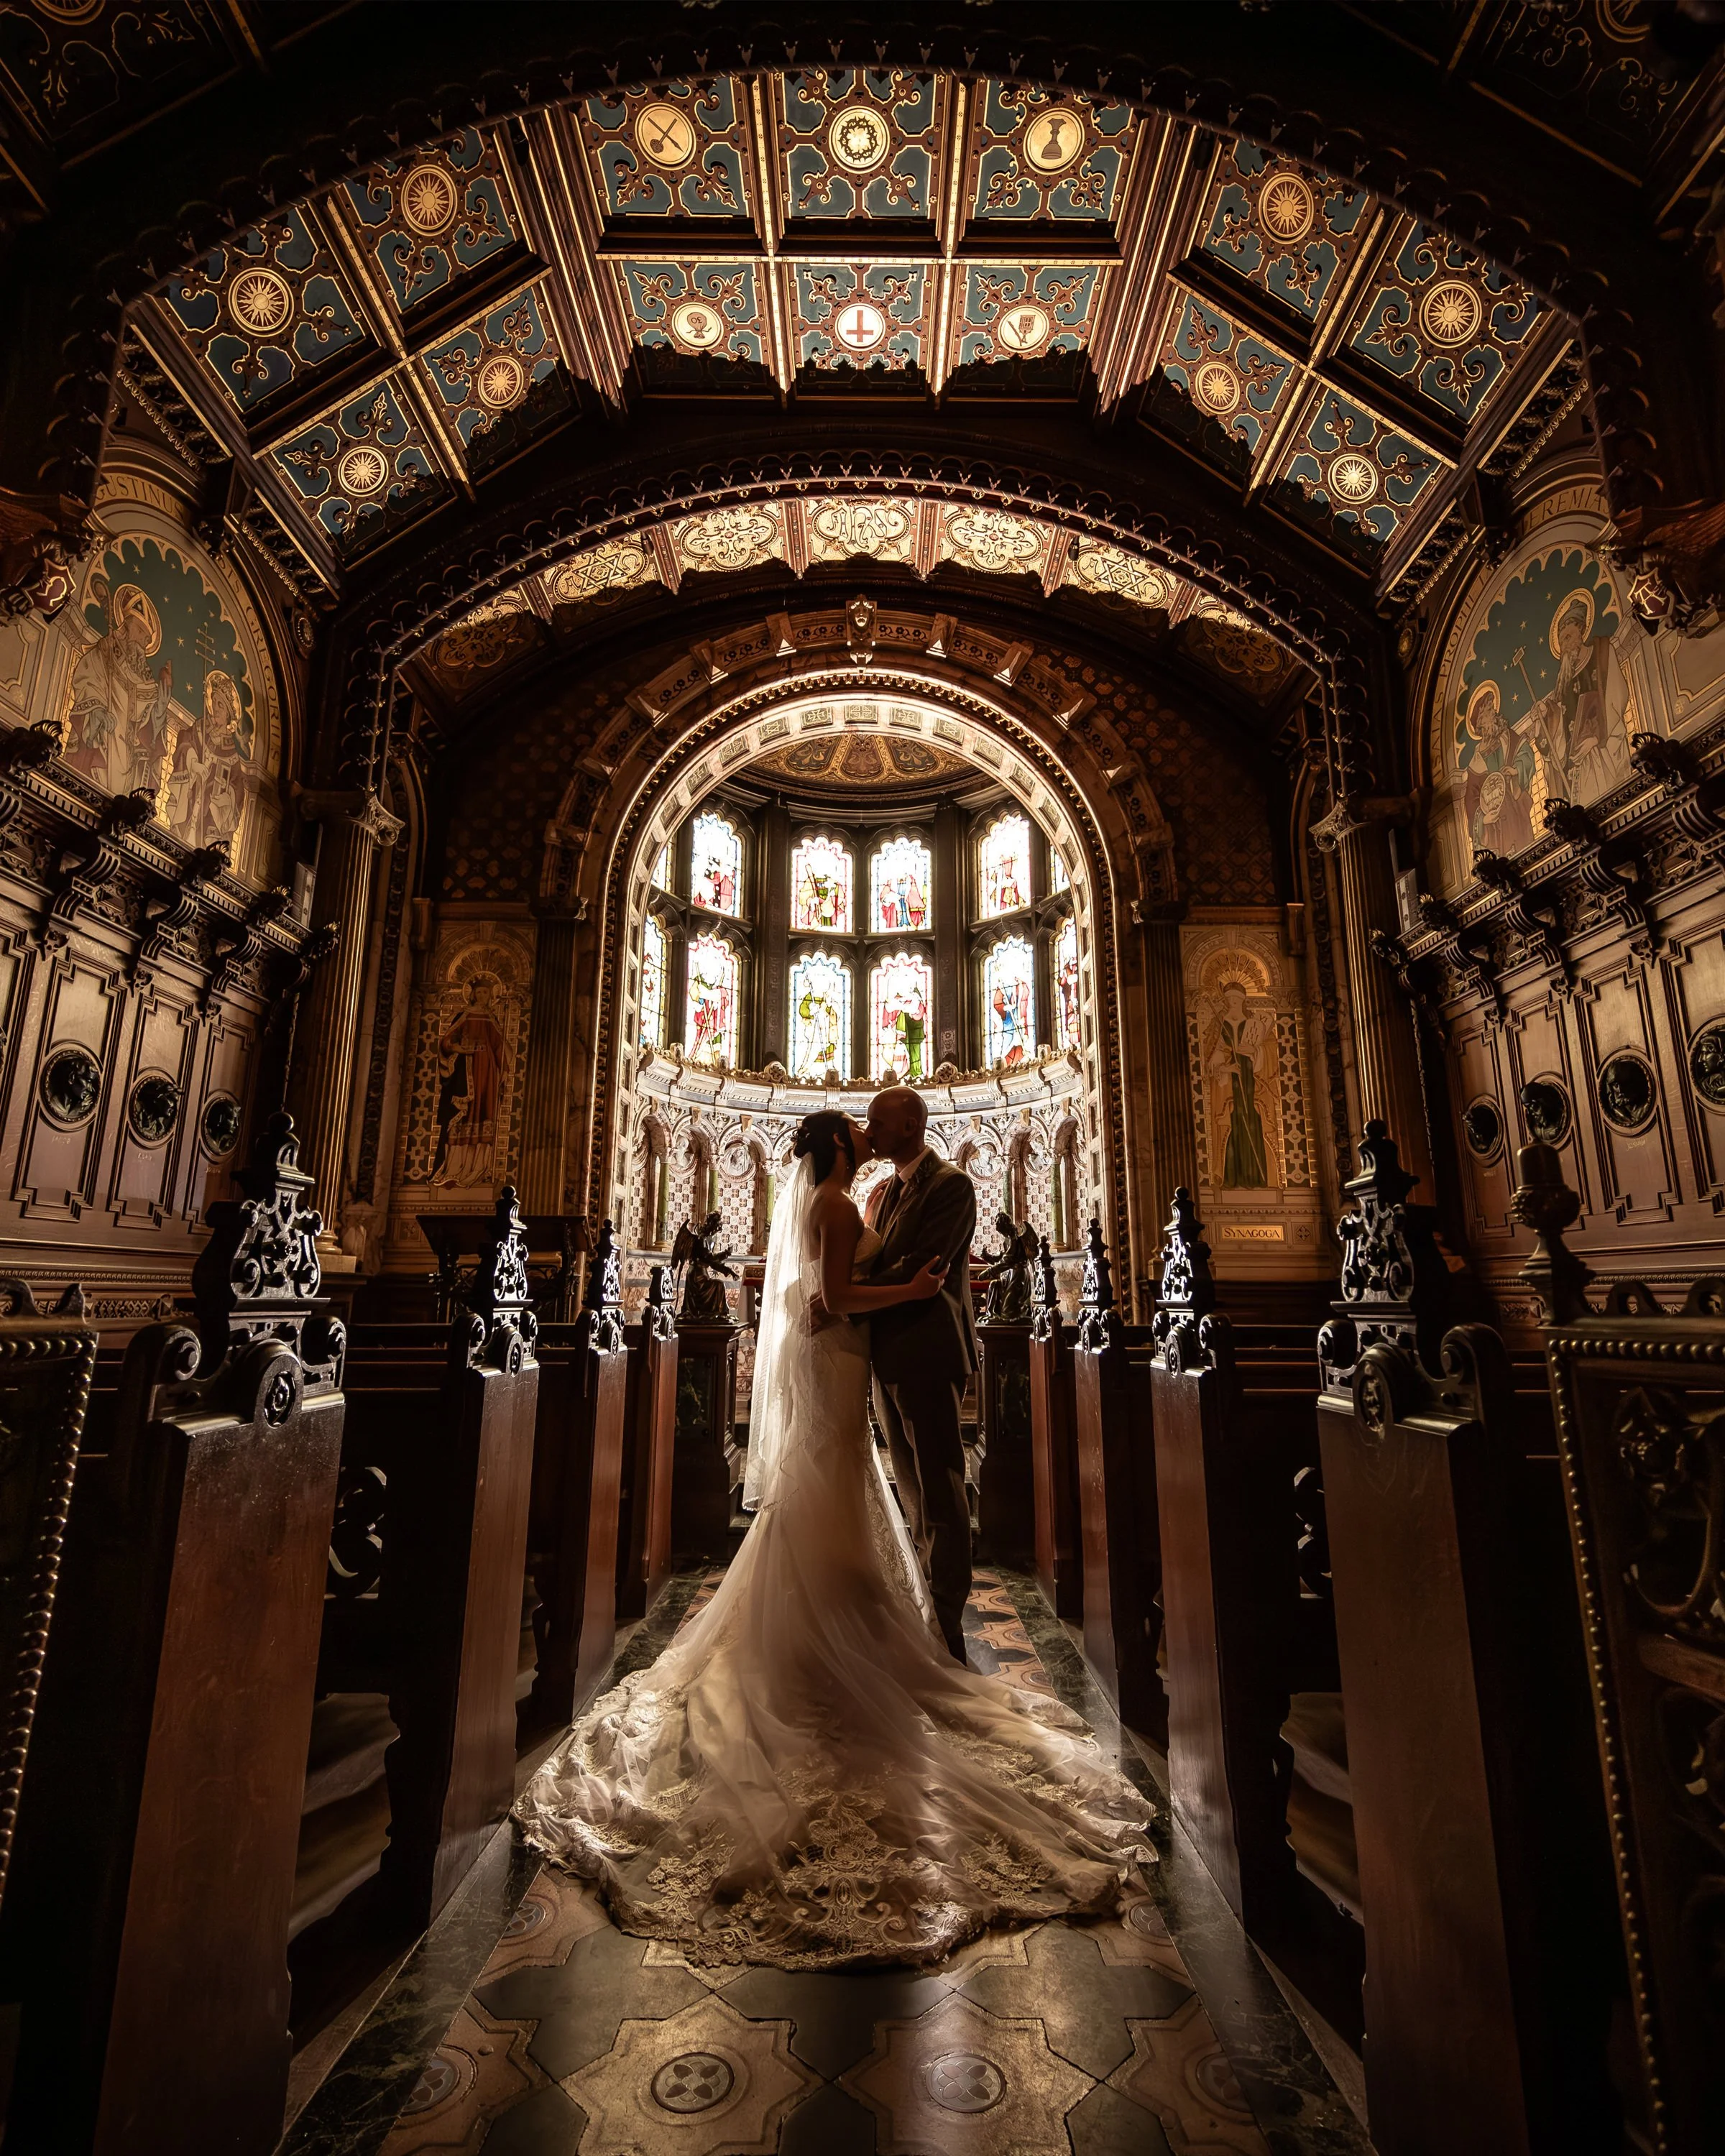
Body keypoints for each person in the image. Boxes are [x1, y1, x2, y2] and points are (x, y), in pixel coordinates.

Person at [515, 1105, 1152, 1971]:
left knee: (914, 1499)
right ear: (846, 1146)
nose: (870, 1134)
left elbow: (837, 1288)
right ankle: (849, 1645)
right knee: (858, 1498)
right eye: (861, 1129)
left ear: (900, 1130)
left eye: (880, 1124)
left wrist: (878, 1296)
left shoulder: (916, 1190)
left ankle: (929, 1631)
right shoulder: (852, 1200)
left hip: (889, 1357)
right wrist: (887, 1294)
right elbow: (841, 1290)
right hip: (857, 1359)